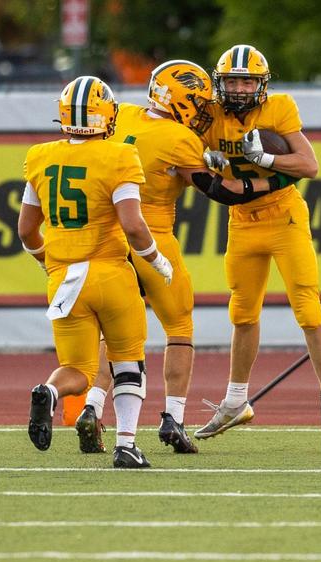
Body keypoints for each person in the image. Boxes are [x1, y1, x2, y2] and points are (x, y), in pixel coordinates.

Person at [76, 59, 287, 456]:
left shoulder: (123, 116)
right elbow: (220, 192)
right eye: (199, 102)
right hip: (152, 236)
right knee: (179, 326)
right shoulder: (179, 138)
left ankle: (92, 406)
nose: (204, 110)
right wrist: (274, 181)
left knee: (117, 334)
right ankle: (173, 417)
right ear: (181, 99)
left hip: (106, 238)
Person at [193, 45, 321, 454]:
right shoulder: (208, 116)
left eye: (248, 82)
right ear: (220, 83)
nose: (240, 89)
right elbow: (191, 161)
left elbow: (309, 165)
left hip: (284, 218)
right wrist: (205, 162)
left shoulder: (279, 108)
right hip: (242, 223)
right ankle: (236, 401)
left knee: (308, 311)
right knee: (242, 314)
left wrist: (265, 161)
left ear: (261, 85)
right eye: (233, 81)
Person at [20, 75, 174, 468]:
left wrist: (47, 261)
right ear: (106, 115)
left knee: (77, 370)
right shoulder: (119, 155)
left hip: (64, 279)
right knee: (128, 362)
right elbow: (134, 226)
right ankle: (126, 446)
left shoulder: (40, 156)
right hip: (110, 274)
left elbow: (26, 231)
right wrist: (157, 259)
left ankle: (49, 393)